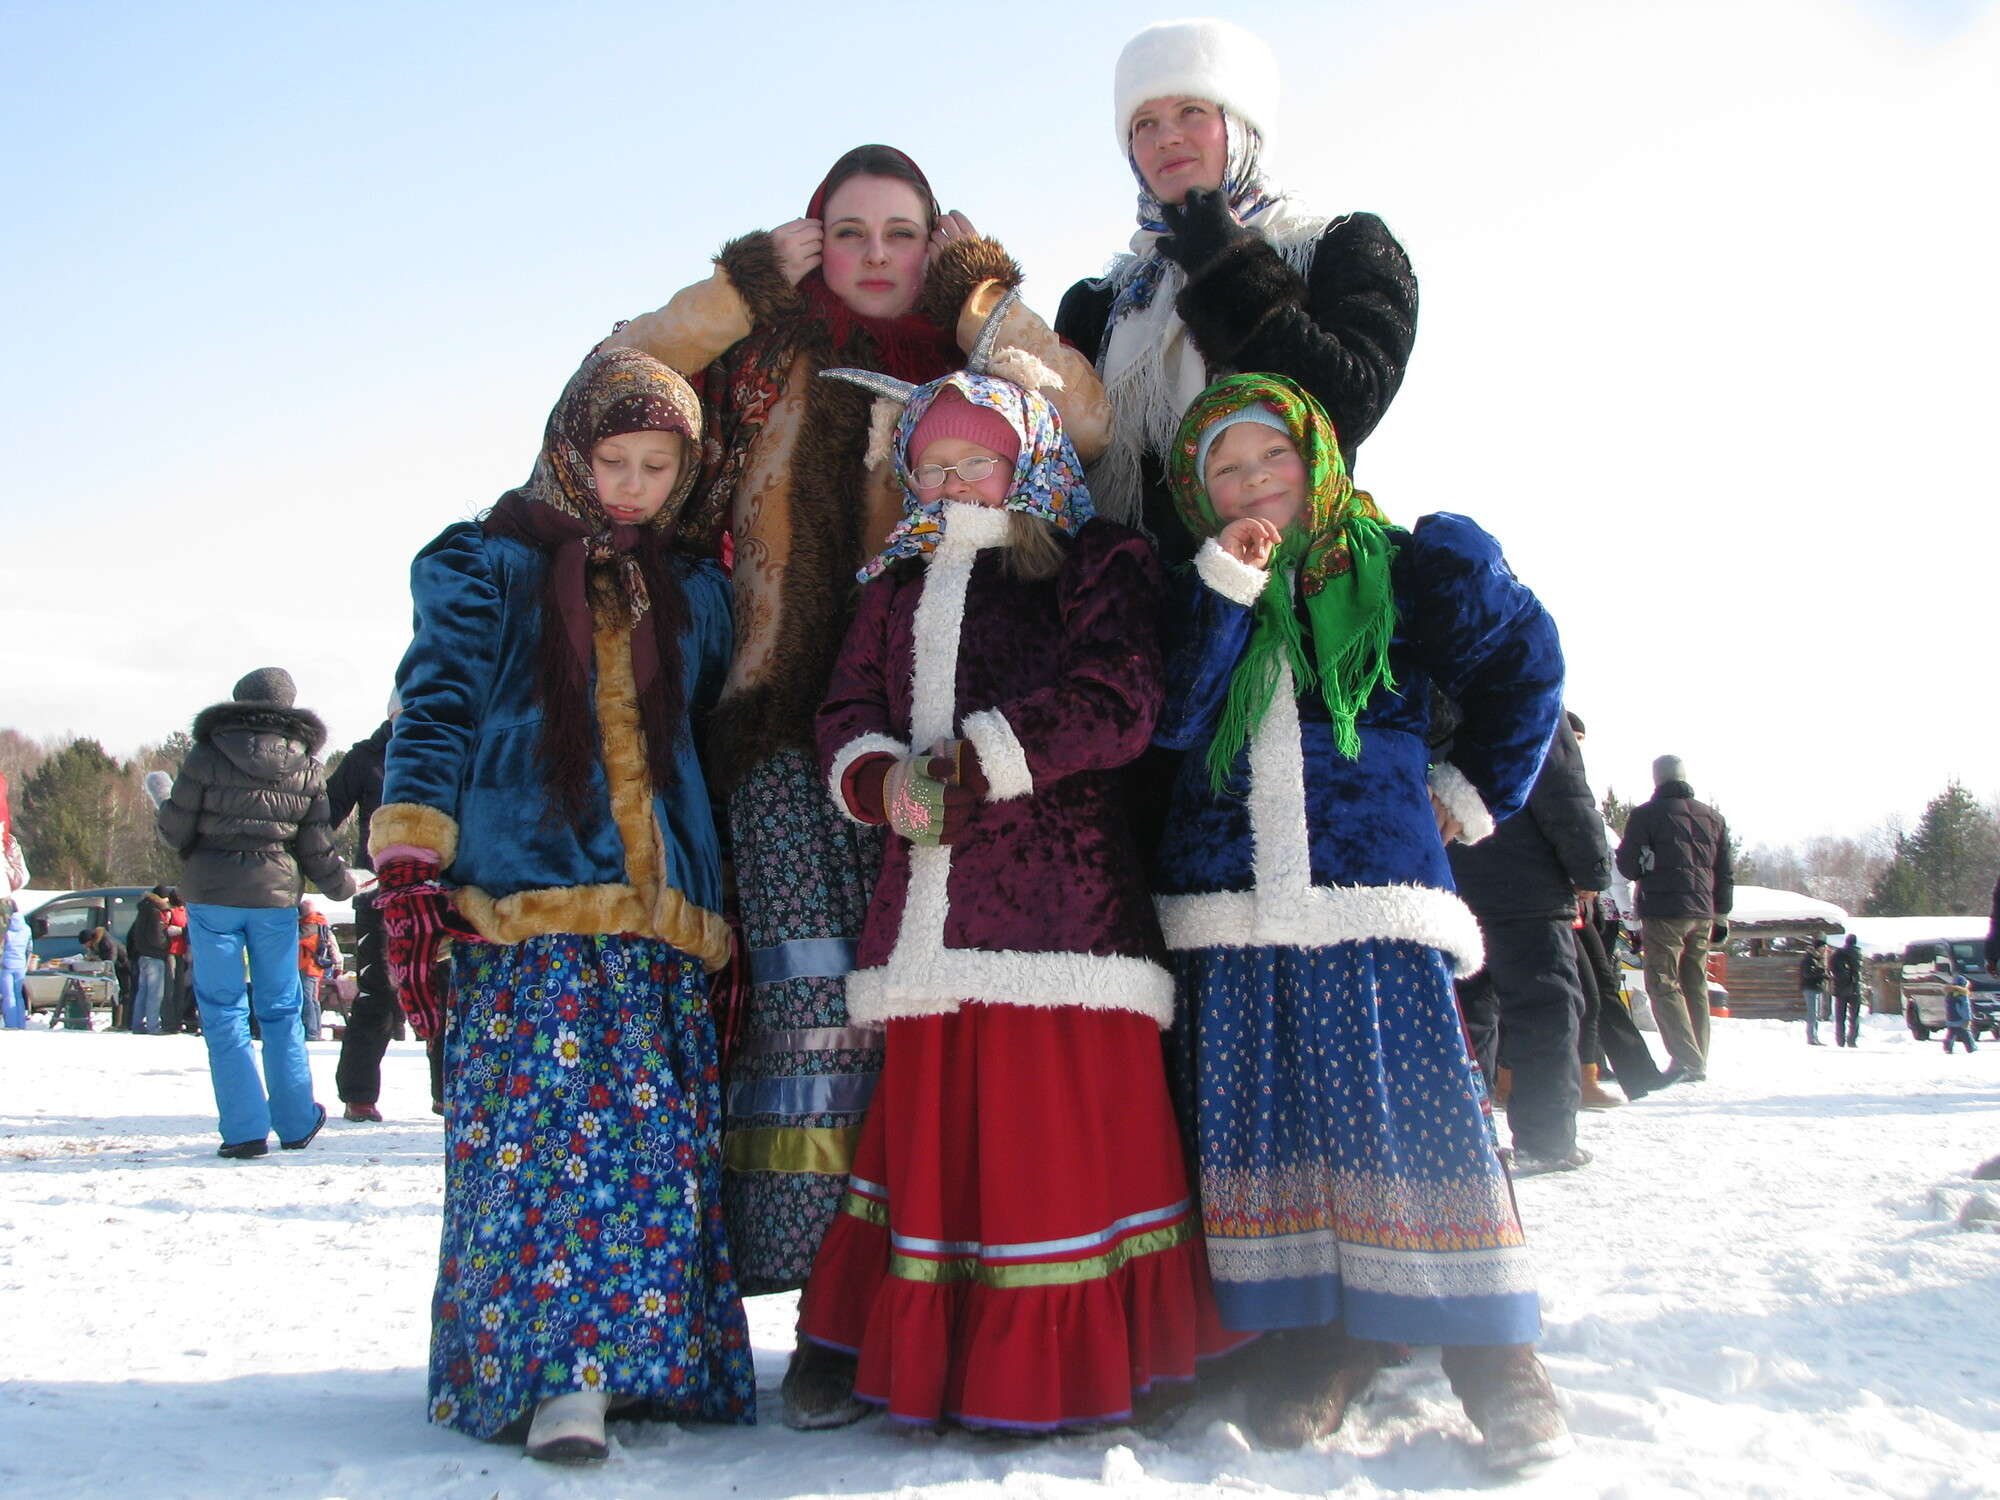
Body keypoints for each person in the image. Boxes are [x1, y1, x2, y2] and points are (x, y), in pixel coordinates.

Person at [603, 147, 1106, 1328]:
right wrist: (734, 288)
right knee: (809, 1002)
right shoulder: (761, 351)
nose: (876, 257)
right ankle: (824, 1304)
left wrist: (980, 293)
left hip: (944, 732)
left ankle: (929, 1291)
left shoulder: (975, 358)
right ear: (811, 237)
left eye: (902, 233)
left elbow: (1087, 419)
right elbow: (613, 383)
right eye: (849, 231)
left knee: (929, 1016)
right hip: (782, 723)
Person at [789, 368, 1239, 1433]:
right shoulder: (890, 590)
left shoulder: (1095, 562)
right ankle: (924, 1354)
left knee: (1054, 1135)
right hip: (929, 922)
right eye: (931, 465)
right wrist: (877, 778)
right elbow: (844, 709)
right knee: (935, 1142)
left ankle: (1074, 1364)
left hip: (1060, 913)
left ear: (1027, 458)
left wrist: (973, 764)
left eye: (974, 459)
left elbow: (1118, 701)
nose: (952, 481)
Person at [1150, 373, 1569, 1471]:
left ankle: (1494, 1357)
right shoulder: (1190, 585)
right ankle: (1314, 1340)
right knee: (1270, 1122)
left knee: (1414, 1112)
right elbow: (1172, 724)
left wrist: (1470, 789)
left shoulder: (1408, 564)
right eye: (1225, 470)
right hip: (1229, 892)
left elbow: (1527, 661)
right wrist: (1222, 592)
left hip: (1369, 884)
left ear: (1315, 457)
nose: (1252, 484)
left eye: (1269, 460)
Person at [368, 347, 753, 1462]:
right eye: (614, 459)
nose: (632, 485)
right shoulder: (482, 566)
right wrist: (410, 865)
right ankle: (558, 1377)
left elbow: (710, 745)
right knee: (540, 1149)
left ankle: (650, 1363)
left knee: (651, 1152)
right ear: (568, 449)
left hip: (664, 918)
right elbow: (431, 709)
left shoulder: (694, 589)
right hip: (523, 903)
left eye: (657, 466)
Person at [1055, 18, 1419, 567]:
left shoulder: (1339, 247)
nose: (1167, 137)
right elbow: (1053, 456)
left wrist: (1226, 264)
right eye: (1144, 124)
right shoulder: (1100, 302)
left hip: (1293, 592)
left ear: (1240, 124)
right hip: (1148, 615)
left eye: (1192, 113)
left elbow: (1350, 401)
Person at [156, 667, 354, 1157]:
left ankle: (243, 1131)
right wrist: (342, 885)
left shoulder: (206, 754)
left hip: (212, 894)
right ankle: (295, 1121)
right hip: (274, 899)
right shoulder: (306, 765)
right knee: (283, 1009)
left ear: (239, 701)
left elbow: (175, 833)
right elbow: (316, 846)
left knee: (223, 1011)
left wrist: (162, 801)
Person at [1449, 714, 1611, 1171]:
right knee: (1546, 1009)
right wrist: (1591, 870)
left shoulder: (1430, 686)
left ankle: (1459, 1139)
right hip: (1529, 887)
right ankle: (1546, 1140)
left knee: (1464, 1016)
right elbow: (1564, 792)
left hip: (1449, 881)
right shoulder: (1530, 698)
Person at [326, 713, 426, 1120]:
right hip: (379, 893)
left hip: (441, 888)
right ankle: (359, 1095)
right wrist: (335, 872)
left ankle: (449, 1095)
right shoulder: (366, 757)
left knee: (444, 989)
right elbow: (323, 817)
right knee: (378, 994)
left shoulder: (453, 742)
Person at [1615, 755, 1732, 1083]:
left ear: (1657, 780)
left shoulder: (1645, 816)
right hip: (1703, 913)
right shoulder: (1714, 818)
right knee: (1694, 982)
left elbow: (1627, 867)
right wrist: (1721, 914)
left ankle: (1686, 1059)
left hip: (1664, 912)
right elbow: (1725, 872)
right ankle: (1699, 1058)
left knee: (1663, 982)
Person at [124, 885, 175, 1036]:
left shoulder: (143, 909)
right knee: (155, 993)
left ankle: (137, 1024)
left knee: (142, 992)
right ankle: (153, 1026)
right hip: (155, 956)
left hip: (143, 956)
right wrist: (167, 942)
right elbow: (156, 938)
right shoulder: (155, 913)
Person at [295, 899, 336, 1042]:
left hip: (307, 966)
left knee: (308, 1000)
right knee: (313, 1000)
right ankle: (315, 1031)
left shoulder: (310, 925)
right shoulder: (319, 923)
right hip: (313, 967)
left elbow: (296, 939)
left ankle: (312, 1033)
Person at [79, 925, 133, 1028]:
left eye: (86, 943)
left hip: (124, 967)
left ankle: (125, 1023)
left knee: (125, 993)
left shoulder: (107, 942)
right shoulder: (95, 943)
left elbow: (111, 959)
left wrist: (99, 961)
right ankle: (117, 1023)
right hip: (117, 968)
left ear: (91, 939)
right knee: (116, 994)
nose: (85, 946)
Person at [1830, 933, 1867, 1048]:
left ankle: (1840, 1040)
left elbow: (1832, 968)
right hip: (1855, 989)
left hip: (1840, 989)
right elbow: (1859, 971)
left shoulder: (1838, 953)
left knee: (1840, 1017)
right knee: (1854, 1017)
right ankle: (1852, 1040)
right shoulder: (1858, 954)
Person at [1, 897, 29, 1029]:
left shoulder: (5, 929)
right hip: (20, 966)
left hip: (6, 966)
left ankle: (11, 1024)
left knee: (8, 996)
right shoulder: (26, 929)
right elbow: (29, 948)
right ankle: (21, 1023)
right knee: (19, 996)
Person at [1799, 937, 1831, 1046]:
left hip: (1815, 988)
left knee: (1815, 1014)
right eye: (1823, 947)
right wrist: (1821, 974)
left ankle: (1814, 1037)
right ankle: (1811, 1037)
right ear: (1818, 948)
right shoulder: (1809, 959)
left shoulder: (1817, 958)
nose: (1825, 950)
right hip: (1810, 988)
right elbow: (1807, 974)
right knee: (1812, 1014)